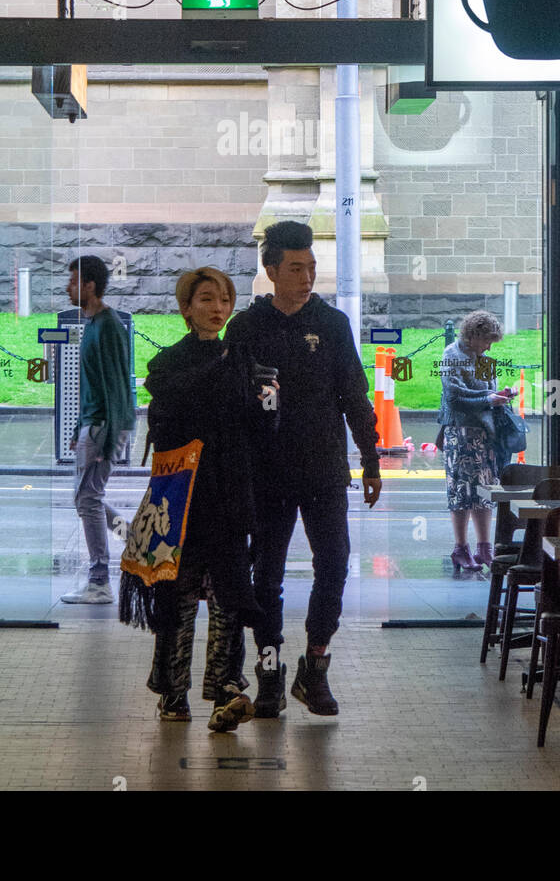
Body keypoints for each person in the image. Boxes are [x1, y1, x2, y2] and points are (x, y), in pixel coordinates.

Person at [223, 220, 382, 718]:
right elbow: (229, 404)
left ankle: (316, 664)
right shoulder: (247, 328)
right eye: (296, 268)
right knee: (265, 576)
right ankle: (269, 672)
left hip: (323, 469)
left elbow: (353, 395)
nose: (307, 276)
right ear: (271, 271)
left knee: (334, 563)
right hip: (265, 474)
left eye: (312, 267)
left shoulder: (332, 324)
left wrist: (371, 457)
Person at [140, 267, 269, 732]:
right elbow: (168, 423)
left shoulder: (244, 361)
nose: (218, 308)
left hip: (231, 493)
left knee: (229, 597)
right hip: (184, 496)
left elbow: (260, 429)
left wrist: (265, 400)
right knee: (177, 597)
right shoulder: (170, 363)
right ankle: (173, 692)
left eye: (225, 300)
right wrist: (219, 376)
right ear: (186, 307)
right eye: (207, 299)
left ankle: (226, 691)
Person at [61, 255, 135, 605]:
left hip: (103, 426)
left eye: (74, 281)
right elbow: (91, 385)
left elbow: (118, 385)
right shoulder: (92, 324)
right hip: (93, 424)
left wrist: (110, 435)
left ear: (90, 286)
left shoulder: (107, 326)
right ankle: (136, 540)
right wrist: (79, 426)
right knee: (86, 497)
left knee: (87, 498)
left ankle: (100, 580)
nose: (68, 288)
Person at [438, 309, 514, 572]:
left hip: (484, 434)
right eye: (487, 340)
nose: (489, 346)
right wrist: (488, 400)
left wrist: (500, 394)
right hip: (460, 433)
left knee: (485, 491)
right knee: (461, 491)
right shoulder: (451, 355)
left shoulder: (485, 359)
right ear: (473, 336)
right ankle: (461, 548)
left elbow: (488, 390)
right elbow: (453, 397)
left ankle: (484, 548)